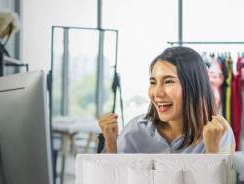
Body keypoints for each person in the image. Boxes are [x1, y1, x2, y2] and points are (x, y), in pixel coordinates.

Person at [98, 46, 235, 154]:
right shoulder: (135, 131)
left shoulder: (219, 133)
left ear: (193, 86)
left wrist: (212, 150)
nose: (157, 93)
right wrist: (111, 144)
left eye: (168, 81)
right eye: (153, 82)